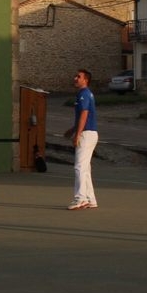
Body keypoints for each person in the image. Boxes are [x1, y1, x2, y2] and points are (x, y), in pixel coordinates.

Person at [63, 69, 98, 210]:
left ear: (86, 80)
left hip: (86, 134)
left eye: (79, 76)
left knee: (79, 167)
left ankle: (80, 198)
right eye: (75, 75)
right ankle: (90, 199)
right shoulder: (84, 94)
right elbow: (83, 116)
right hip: (90, 133)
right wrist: (72, 130)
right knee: (85, 168)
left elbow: (84, 113)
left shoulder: (84, 94)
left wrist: (77, 134)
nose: (75, 78)